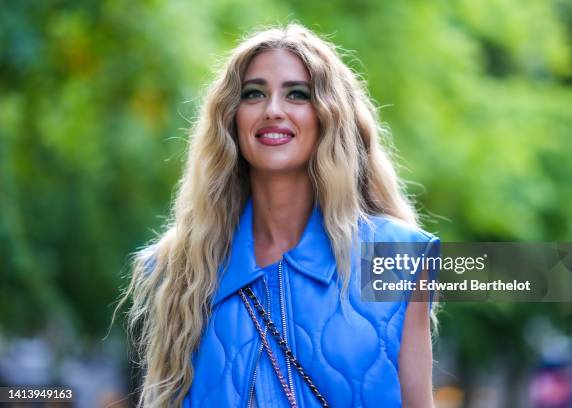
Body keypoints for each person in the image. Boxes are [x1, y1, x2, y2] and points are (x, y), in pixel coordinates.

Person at [119, 23, 440, 408]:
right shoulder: (178, 268)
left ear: (327, 116)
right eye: (254, 94)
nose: (273, 110)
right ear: (232, 119)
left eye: (297, 95)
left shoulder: (396, 256)